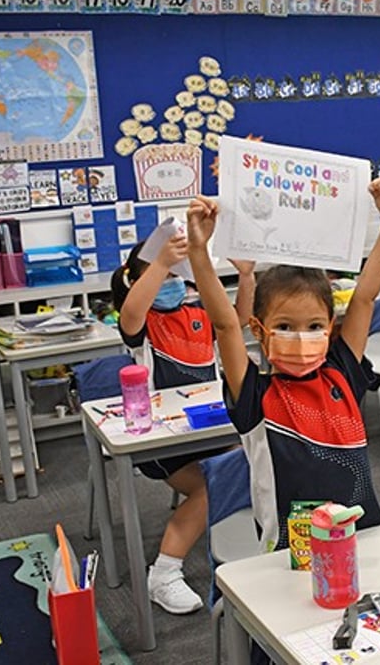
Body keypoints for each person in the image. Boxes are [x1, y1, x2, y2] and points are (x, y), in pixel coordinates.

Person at [184, 177, 380, 555]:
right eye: (285, 327)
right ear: (259, 330)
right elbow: (223, 323)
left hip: (363, 534)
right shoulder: (255, 394)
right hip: (290, 550)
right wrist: (198, 251)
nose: (302, 337)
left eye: (315, 326)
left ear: (330, 327)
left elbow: (365, 298)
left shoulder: (342, 372)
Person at [111, 235, 255, 614]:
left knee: (258, 464)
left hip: (209, 430)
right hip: (163, 443)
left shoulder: (196, 314)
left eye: (180, 275)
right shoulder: (142, 324)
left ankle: (248, 546)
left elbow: (237, 320)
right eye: (165, 275)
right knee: (213, 486)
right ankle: (163, 573)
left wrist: (247, 276)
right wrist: (159, 263)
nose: (174, 282)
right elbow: (129, 314)